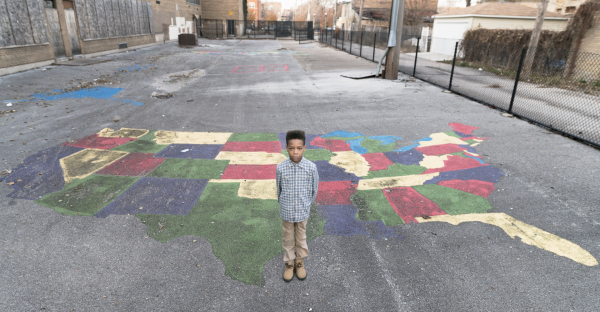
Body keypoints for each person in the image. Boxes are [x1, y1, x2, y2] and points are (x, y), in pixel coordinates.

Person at [276, 130, 319, 282]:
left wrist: (306, 205)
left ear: (304, 148)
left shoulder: (311, 168)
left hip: (302, 212)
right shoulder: (281, 168)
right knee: (287, 238)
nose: (295, 151)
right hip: (286, 212)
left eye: (299, 148)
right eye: (292, 148)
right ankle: (289, 263)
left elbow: (314, 190)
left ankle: (299, 263)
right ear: (286, 148)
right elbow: (279, 189)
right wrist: (283, 205)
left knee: (301, 238)